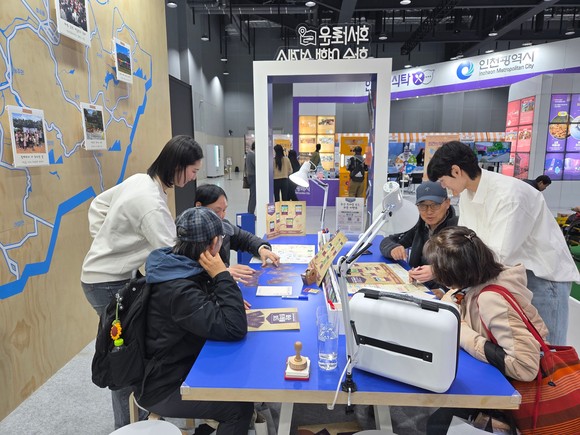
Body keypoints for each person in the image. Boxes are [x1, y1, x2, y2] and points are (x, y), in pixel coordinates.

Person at [81, 135, 204, 429]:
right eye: (193, 171)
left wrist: (108, 240)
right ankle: (127, 427)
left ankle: (144, 416)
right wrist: (215, 273)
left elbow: (98, 205)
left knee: (130, 349)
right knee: (125, 356)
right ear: (178, 166)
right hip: (106, 282)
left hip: (115, 276)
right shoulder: (150, 203)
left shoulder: (142, 181)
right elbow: (173, 254)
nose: (193, 177)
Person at [427, 140, 579, 345]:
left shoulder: (510, 194)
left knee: (546, 349)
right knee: (520, 346)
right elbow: (466, 242)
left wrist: (446, 272)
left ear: (456, 171)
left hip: (542, 277)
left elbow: (497, 255)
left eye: (443, 180)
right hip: (506, 274)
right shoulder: (467, 195)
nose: (444, 186)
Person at [137, 206, 254, 434]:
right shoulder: (179, 289)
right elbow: (234, 328)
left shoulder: (180, 265)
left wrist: (223, 290)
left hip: (180, 363)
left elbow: (211, 308)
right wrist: (222, 274)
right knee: (239, 409)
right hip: (164, 385)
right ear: (214, 243)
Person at [423, 226, 549, 435]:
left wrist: (462, 331)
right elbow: (451, 298)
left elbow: (526, 366)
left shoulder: (490, 299)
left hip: (512, 395)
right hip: (495, 379)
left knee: (438, 425)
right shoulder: (483, 278)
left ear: (456, 272)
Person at [194, 184, 280, 287]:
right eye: (216, 211)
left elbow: (244, 238)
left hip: (224, 284)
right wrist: (223, 273)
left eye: (224, 210)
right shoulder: (191, 237)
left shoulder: (224, 226)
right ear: (199, 206)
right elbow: (192, 275)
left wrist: (262, 249)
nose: (221, 216)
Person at [379, 181, 457, 291]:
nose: (429, 212)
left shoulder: (457, 229)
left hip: (444, 290)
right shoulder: (419, 225)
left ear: (447, 203)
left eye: (435, 205)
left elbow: (465, 266)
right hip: (418, 286)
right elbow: (388, 241)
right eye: (422, 206)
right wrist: (393, 248)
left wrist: (442, 287)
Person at [246, 142, 256, 214]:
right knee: (253, 196)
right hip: (253, 176)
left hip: (250, 176)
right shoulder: (252, 155)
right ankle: (251, 212)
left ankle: (250, 211)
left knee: (252, 195)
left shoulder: (249, 154)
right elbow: (257, 165)